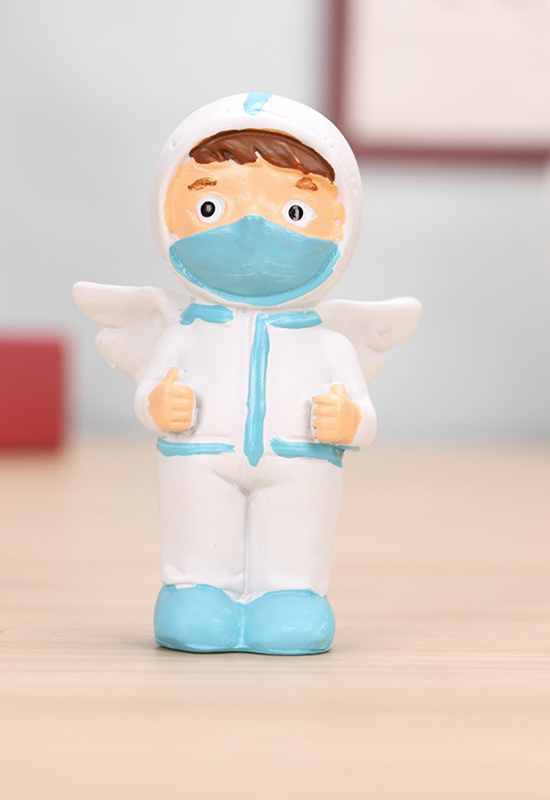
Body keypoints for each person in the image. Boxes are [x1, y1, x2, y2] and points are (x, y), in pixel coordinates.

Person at [74, 92, 421, 655]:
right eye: (211, 208)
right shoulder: (184, 333)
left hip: (298, 461)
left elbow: (364, 419)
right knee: (198, 531)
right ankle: (197, 593)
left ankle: (291, 597)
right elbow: (149, 394)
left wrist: (348, 421)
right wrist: (159, 405)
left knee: (293, 539)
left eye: (295, 213)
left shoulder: (329, 344)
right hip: (200, 457)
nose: (254, 229)